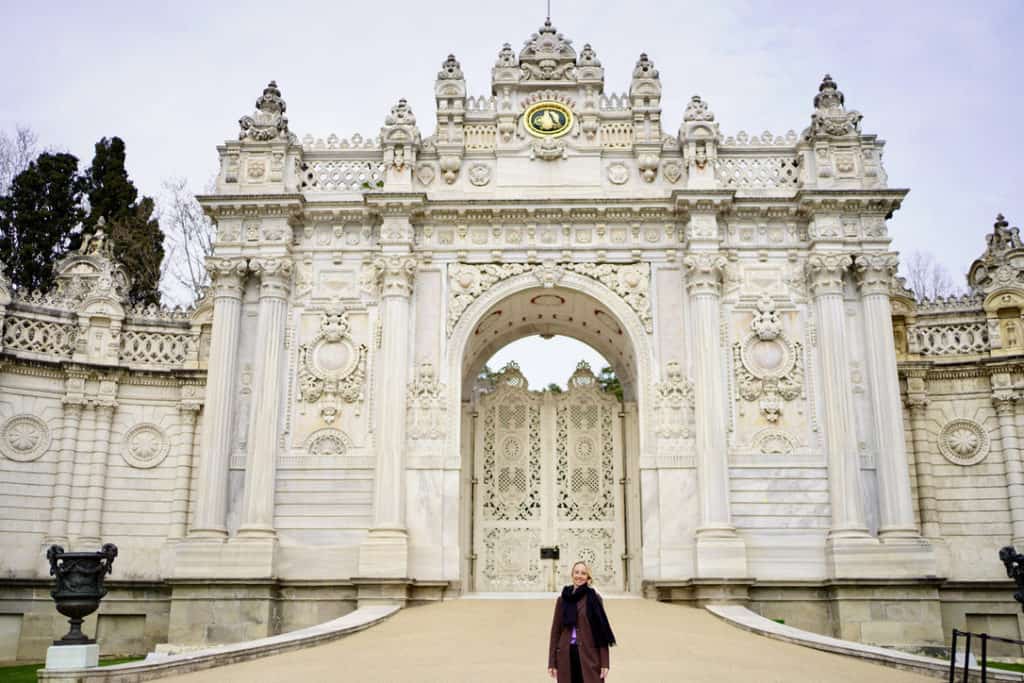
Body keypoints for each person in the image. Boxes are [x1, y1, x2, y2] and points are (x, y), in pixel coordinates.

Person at [547, 561, 616, 682]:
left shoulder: (594, 599)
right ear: (572, 574)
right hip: (566, 655)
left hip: (589, 656)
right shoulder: (562, 600)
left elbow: (602, 632)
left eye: (583, 573)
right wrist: (552, 662)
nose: (579, 576)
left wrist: (605, 662)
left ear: (588, 577)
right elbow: (555, 632)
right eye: (576, 572)